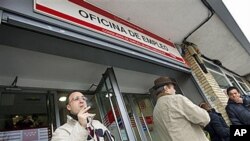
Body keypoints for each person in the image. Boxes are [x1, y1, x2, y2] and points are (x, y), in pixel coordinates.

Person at [151, 76, 210, 141]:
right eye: (173, 88)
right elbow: (204, 118)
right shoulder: (176, 99)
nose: (175, 90)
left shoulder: (155, 111)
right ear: (166, 88)